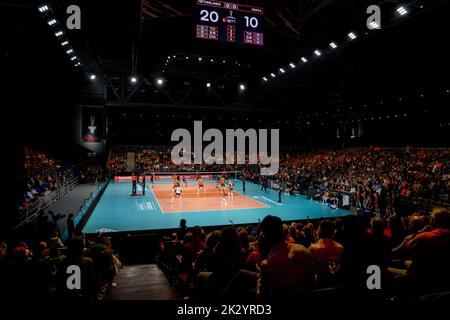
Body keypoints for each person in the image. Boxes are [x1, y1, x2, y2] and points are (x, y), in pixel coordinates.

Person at [257, 215, 314, 299]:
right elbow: (313, 279)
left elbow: (262, 297)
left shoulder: (267, 265)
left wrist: (258, 279)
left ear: (265, 237)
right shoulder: (304, 251)